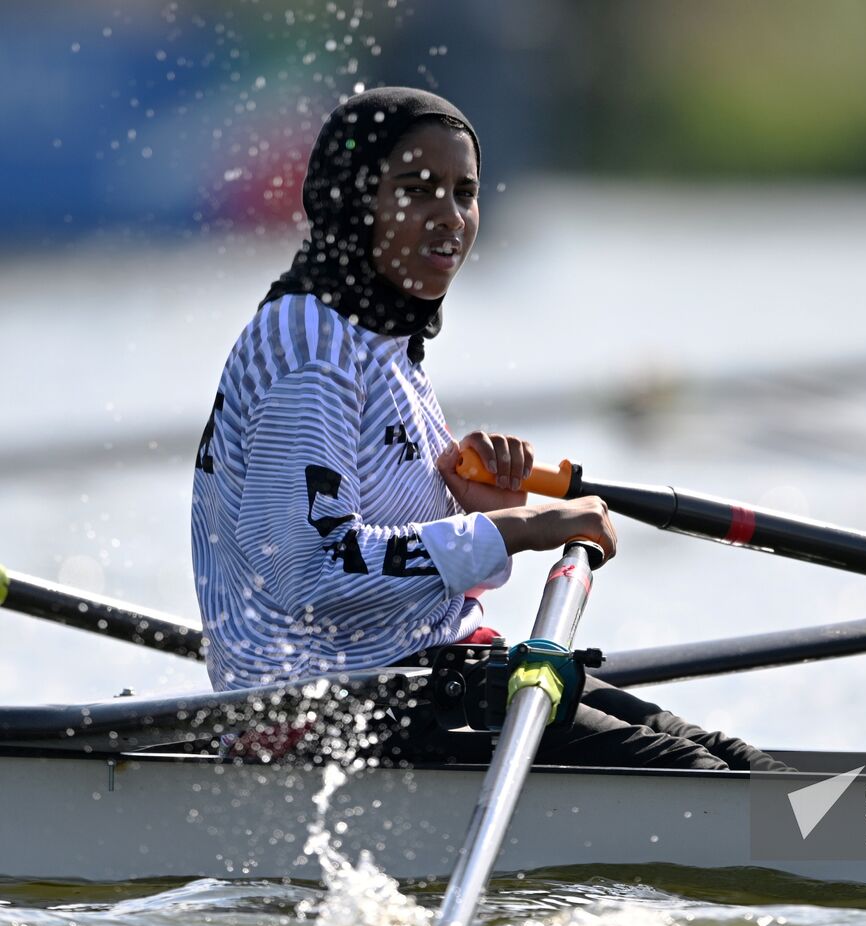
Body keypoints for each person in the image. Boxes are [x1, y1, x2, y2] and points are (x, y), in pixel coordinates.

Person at [191, 87, 785, 772]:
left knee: (726, 757)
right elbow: (311, 571)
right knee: (707, 779)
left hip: (417, 675)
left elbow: (384, 553)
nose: (451, 218)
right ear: (354, 205)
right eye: (418, 189)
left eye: (463, 193)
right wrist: (521, 530)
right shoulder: (312, 349)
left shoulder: (377, 339)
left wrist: (475, 504)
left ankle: (839, 832)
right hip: (324, 717)